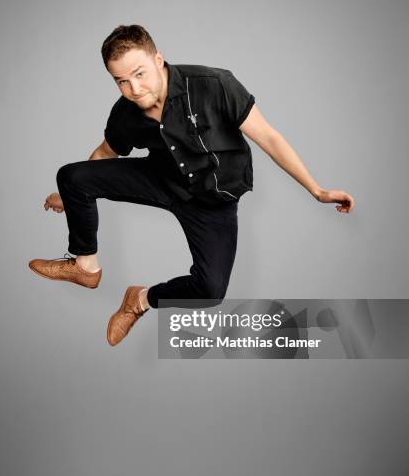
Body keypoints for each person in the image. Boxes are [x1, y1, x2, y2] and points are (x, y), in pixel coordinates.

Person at [29, 24, 355, 347]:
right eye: (121, 81)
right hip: (161, 178)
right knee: (72, 177)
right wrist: (72, 198)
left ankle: (138, 301)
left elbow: (270, 138)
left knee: (209, 292)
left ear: (159, 60)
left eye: (139, 73)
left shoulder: (214, 85)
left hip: (213, 199)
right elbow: (105, 153)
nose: (134, 89)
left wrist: (317, 190)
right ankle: (85, 266)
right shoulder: (125, 113)